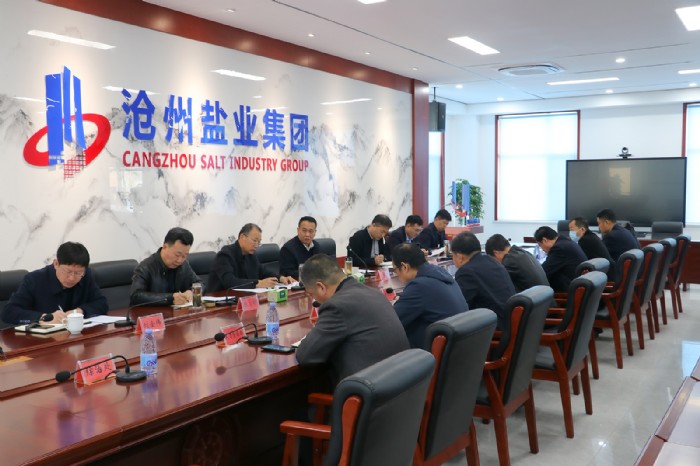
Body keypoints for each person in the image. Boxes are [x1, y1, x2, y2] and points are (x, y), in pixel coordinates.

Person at [296, 254, 409, 386]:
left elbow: (306, 356)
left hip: (370, 392)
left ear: (321, 287)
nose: (314, 299)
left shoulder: (336, 306)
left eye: (311, 294)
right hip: (401, 385)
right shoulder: (374, 293)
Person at [2, 242, 107, 325]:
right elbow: (8, 313)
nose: (72, 278)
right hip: (42, 341)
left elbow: (102, 303)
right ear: (56, 264)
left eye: (78, 273)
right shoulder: (34, 280)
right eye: (67, 272)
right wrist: (43, 318)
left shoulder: (86, 275)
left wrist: (80, 311)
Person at [391, 243, 468, 347]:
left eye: (395, 270)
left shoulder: (418, 286)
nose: (396, 274)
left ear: (405, 267)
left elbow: (393, 320)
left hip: (436, 351)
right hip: (457, 346)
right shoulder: (441, 273)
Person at [451, 232, 515, 329]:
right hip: (509, 320)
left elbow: (460, 307)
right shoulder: (492, 261)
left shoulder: (466, 272)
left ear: (460, 257)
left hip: (494, 328)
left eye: (452, 255)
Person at [209, 223, 294, 291]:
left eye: (259, 242)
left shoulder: (251, 255)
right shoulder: (225, 255)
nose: (256, 245)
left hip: (244, 298)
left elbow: (264, 272)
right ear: (242, 237)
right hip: (220, 302)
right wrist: (258, 283)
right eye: (254, 241)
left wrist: (280, 278)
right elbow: (230, 282)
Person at [130, 227, 203, 306]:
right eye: (177, 255)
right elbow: (136, 296)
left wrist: (191, 292)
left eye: (184, 256)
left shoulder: (184, 265)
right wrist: (170, 298)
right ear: (165, 247)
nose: (180, 260)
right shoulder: (145, 267)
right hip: (153, 312)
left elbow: (200, 283)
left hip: (178, 312)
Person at [485, 234, 550, 292]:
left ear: (496, 253)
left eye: (492, 259)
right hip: (545, 297)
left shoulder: (509, 260)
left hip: (534, 300)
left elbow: (498, 282)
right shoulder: (522, 252)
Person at [534, 226, 588, 292]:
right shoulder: (566, 242)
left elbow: (544, 272)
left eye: (540, 245)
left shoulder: (559, 248)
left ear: (544, 240)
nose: (542, 249)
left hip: (570, 290)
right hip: (578, 284)